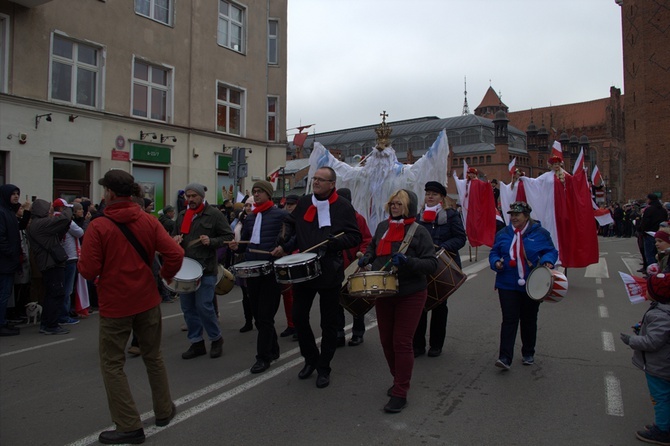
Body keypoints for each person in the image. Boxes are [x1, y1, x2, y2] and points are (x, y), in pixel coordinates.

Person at [79, 169, 184, 445]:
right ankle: (163, 410)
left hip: (116, 304)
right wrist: (164, 276)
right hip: (147, 299)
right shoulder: (148, 220)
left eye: (104, 191)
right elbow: (175, 253)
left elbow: (88, 271)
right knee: (154, 356)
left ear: (111, 193)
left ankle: (128, 425)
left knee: (112, 364)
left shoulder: (99, 226)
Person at [272, 167, 361, 389]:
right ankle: (310, 358)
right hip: (304, 269)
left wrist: (335, 243)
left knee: (328, 321)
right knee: (299, 316)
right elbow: (293, 228)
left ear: (332, 184)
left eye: (321, 180)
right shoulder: (304, 202)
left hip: (329, 268)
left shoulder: (342, 206)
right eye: (315, 179)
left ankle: (324, 366)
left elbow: (354, 236)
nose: (316, 182)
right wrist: (284, 246)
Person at [358, 189, 437, 413]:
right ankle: (397, 378)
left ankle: (401, 391)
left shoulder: (419, 232)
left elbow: (431, 264)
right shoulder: (383, 227)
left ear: (409, 206)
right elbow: (373, 246)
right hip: (385, 292)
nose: (394, 207)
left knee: (402, 342)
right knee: (385, 340)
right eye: (392, 203)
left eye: (399, 204)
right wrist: (368, 256)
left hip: (411, 293)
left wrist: (409, 261)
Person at [489, 201, 558, 370]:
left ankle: (528, 352)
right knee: (509, 319)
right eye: (511, 215)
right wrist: (496, 262)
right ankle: (505, 357)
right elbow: (494, 252)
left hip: (532, 284)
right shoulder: (503, 233)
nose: (513, 218)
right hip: (507, 283)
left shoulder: (540, 233)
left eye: (517, 215)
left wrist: (548, 262)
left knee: (529, 319)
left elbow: (551, 251)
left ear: (526, 216)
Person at [229, 181, 287, 373]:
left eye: (260, 191)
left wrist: (284, 248)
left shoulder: (281, 215)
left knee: (265, 315)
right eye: (254, 192)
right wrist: (237, 246)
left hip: (271, 271)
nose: (257, 194)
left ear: (268, 194)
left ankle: (263, 357)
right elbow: (245, 243)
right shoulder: (251, 218)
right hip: (252, 270)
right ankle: (274, 348)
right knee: (260, 316)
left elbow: (295, 234)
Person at [173, 183, 233, 359]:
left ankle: (216, 339)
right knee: (188, 308)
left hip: (206, 269)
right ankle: (196, 342)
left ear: (201, 196)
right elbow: (176, 236)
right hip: (185, 270)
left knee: (204, 307)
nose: (190, 199)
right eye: (188, 196)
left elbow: (228, 236)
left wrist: (212, 241)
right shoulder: (183, 215)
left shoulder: (214, 214)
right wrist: (175, 239)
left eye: (193, 196)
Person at [414, 181, 466, 357]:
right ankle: (418, 345)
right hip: (422, 265)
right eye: (428, 193)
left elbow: (460, 238)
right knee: (419, 305)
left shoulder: (451, 216)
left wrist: (442, 247)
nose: (430, 196)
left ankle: (436, 344)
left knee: (439, 305)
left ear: (441, 198)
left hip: (443, 265)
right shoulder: (417, 217)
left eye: (434, 194)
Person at [621, 273, 670, 445]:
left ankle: (663, 430)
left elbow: (653, 342)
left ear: (657, 294)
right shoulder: (662, 310)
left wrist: (631, 340)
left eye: (647, 288)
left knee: (660, 397)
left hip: (659, 366)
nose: (644, 290)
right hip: (662, 364)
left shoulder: (661, 315)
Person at [27, 198, 73, 335]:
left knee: (50, 294)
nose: (50, 211)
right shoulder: (40, 223)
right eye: (48, 209)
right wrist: (65, 209)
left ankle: (47, 323)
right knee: (56, 293)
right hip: (51, 263)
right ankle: (51, 325)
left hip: (48, 263)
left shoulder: (36, 224)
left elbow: (60, 228)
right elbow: (64, 220)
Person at [336, 188, 372, 347]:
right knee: (336, 302)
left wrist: (362, 255)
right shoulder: (332, 218)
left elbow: (367, 239)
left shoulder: (358, 218)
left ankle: (358, 333)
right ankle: (338, 333)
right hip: (336, 266)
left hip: (353, 265)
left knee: (356, 300)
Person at [53, 198, 84, 326]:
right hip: (69, 257)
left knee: (60, 288)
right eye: (67, 208)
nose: (69, 211)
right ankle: (63, 315)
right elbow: (80, 232)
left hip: (59, 257)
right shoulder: (66, 221)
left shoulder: (51, 218)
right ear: (61, 209)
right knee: (67, 289)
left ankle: (60, 314)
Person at [0, 184, 23, 335]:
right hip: (4, 261)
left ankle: (3, 321)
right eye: (13, 194)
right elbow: (1, 238)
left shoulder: (9, 211)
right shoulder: (2, 212)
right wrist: (10, 252)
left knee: (6, 293)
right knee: (3, 294)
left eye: (17, 193)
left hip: (9, 261)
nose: (16, 196)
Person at [278, 194, 299, 338]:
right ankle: (291, 325)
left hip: (297, 259)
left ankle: (299, 326)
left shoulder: (301, 220)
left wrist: (286, 248)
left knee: (297, 296)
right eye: (287, 204)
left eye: (292, 204)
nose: (289, 206)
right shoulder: (284, 220)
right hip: (285, 260)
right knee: (287, 294)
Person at [641, 194, 668, 272]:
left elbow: (645, 222)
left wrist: (642, 231)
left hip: (649, 233)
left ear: (650, 200)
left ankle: (652, 273)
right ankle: (659, 271)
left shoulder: (649, 209)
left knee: (650, 255)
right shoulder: (663, 210)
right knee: (660, 255)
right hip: (660, 233)